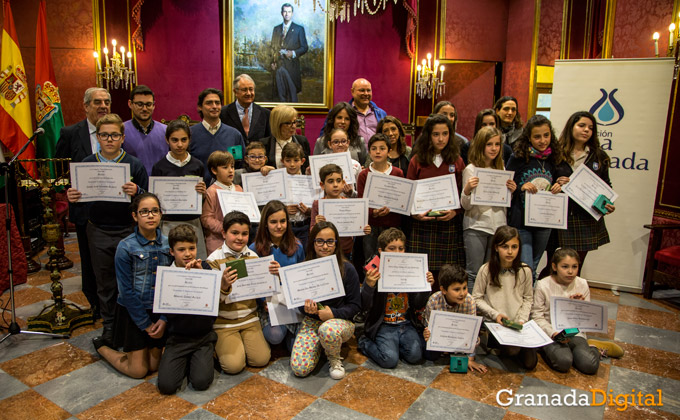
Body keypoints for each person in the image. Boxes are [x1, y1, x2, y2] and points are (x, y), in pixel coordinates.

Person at [66, 113, 147, 346]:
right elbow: (79, 198)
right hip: (99, 230)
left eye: (114, 135)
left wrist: (138, 191)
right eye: (104, 135)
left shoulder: (134, 164)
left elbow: (148, 197)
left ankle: (133, 325)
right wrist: (72, 196)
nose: (109, 139)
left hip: (129, 231)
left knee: (131, 280)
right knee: (105, 282)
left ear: (122, 138)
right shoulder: (87, 164)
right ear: (98, 138)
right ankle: (109, 326)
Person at [92, 192, 171, 378]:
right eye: (144, 212)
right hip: (135, 312)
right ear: (135, 216)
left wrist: (164, 319)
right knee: (138, 371)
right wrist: (145, 324)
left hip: (158, 312)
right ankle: (102, 347)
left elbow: (173, 285)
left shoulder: (169, 244)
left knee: (154, 366)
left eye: (154, 211)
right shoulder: (126, 247)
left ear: (161, 214)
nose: (150, 216)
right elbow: (125, 291)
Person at [56, 87, 111, 319]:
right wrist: (67, 190)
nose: (103, 106)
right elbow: (59, 171)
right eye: (97, 102)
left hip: (113, 208)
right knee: (89, 261)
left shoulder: (117, 131)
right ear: (86, 105)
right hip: (85, 210)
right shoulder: (70, 133)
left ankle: (113, 304)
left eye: (107, 102)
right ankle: (95, 305)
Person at [290, 221, 361, 379]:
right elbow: (299, 302)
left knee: (327, 330)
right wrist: (306, 309)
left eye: (330, 241)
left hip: (340, 321)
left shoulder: (347, 269)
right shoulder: (304, 267)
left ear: (336, 243)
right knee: (299, 369)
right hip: (312, 321)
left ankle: (333, 357)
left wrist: (333, 313)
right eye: (319, 241)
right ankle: (324, 345)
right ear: (313, 242)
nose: (325, 246)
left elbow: (355, 306)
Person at [207, 211, 272, 373]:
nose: (239, 238)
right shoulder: (213, 261)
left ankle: (241, 344)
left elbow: (260, 290)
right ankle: (216, 347)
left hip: (249, 318)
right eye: (234, 233)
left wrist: (272, 277)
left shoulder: (253, 257)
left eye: (244, 234)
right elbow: (210, 301)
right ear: (224, 233)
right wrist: (223, 286)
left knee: (261, 360)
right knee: (233, 367)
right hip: (224, 323)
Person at [358, 228, 433, 368]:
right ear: (381, 251)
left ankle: (396, 344)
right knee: (389, 360)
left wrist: (425, 287)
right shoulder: (374, 271)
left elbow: (417, 304)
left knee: (415, 356)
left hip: (405, 323)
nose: (397, 253)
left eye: (401, 248)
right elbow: (364, 306)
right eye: (391, 248)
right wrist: (369, 286)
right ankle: (364, 343)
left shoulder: (411, 269)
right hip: (384, 324)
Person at [157, 224, 217, 394]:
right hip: (178, 338)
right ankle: (181, 361)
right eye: (181, 249)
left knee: (201, 382)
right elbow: (167, 311)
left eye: (191, 248)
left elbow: (212, 306)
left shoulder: (205, 268)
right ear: (171, 252)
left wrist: (201, 277)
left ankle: (203, 355)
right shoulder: (167, 276)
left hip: (203, 337)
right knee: (167, 386)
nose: (188, 254)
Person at [506, 115, 567, 279]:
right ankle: (526, 301)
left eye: (546, 135)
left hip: (545, 222)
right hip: (521, 221)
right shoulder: (517, 157)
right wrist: (520, 187)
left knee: (534, 263)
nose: (542, 141)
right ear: (528, 137)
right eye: (537, 136)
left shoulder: (555, 158)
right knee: (526, 266)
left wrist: (559, 186)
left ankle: (530, 301)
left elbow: (564, 181)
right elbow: (505, 185)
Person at [407, 114, 466, 282]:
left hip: (448, 224)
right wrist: (414, 213)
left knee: (446, 272)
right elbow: (409, 193)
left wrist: (455, 211)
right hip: (422, 224)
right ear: (428, 136)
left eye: (445, 134)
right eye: (436, 134)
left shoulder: (457, 161)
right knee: (422, 272)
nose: (441, 139)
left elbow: (462, 192)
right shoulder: (417, 161)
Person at [471, 226, 537, 369]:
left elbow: (528, 299)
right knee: (513, 351)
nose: (510, 251)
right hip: (497, 323)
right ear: (496, 248)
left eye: (514, 247)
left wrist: (521, 320)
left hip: (518, 323)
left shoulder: (525, 270)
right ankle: (496, 344)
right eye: (505, 247)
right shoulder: (486, 270)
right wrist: (495, 315)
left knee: (531, 363)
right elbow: (476, 298)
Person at [556, 111, 615, 267]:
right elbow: (547, 180)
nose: (586, 130)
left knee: (576, 266)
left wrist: (607, 204)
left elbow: (606, 185)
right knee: (554, 265)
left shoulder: (599, 156)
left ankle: (573, 292)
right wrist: (556, 184)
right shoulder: (556, 153)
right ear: (571, 127)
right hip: (559, 215)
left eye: (591, 127)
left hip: (585, 217)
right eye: (581, 125)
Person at [460, 126, 516, 289]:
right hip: (476, 225)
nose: (494, 149)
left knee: (491, 272)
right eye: (489, 144)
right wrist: (468, 190)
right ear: (480, 146)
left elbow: (505, 202)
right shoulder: (470, 169)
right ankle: (472, 311)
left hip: (498, 226)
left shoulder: (501, 168)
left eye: (497, 144)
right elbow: (466, 205)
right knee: (474, 273)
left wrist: (510, 192)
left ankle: (486, 310)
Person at [531, 248, 601, 374]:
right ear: (554, 266)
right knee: (563, 362)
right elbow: (537, 316)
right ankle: (545, 348)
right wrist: (553, 333)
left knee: (589, 365)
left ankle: (594, 348)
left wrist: (580, 306)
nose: (570, 271)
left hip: (573, 332)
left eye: (574, 267)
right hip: (551, 332)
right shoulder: (543, 285)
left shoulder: (582, 284)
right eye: (565, 267)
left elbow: (586, 321)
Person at [249, 200, 305, 350]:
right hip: (269, 305)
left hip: (291, 305)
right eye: (273, 222)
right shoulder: (254, 249)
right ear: (265, 223)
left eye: (283, 221)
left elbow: (301, 278)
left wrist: (284, 276)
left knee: (294, 348)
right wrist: (263, 302)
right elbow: (252, 284)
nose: (279, 226)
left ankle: (291, 333)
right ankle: (285, 332)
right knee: (275, 336)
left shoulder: (297, 245)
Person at [151, 119, 208, 260]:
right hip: (167, 224)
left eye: (184, 140)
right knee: (169, 262)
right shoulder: (159, 167)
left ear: (189, 140)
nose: (180, 145)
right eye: (174, 140)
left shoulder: (197, 165)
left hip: (193, 222)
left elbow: (200, 200)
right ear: (167, 140)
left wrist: (203, 193)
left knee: (195, 265)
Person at [422, 264, 488, 373]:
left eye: (465, 288)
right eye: (457, 289)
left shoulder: (470, 301)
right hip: (440, 340)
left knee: (463, 353)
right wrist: (427, 334)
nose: (462, 293)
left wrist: (470, 359)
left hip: (460, 341)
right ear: (443, 290)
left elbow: (472, 334)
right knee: (430, 355)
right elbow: (428, 328)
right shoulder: (434, 301)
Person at [357, 134, 404, 260]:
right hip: (371, 227)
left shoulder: (398, 173)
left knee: (393, 260)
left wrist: (395, 208)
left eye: (382, 148)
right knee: (371, 261)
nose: (377, 152)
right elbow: (361, 203)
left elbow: (402, 200)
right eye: (374, 148)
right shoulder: (363, 175)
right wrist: (374, 212)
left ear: (389, 151)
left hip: (393, 225)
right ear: (369, 151)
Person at [310, 164, 371, 258]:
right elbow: (312, 232)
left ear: (343, 183)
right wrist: (317, 225)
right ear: (322, 185)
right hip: (326, 250)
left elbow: (357, 227)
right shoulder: (317, 204)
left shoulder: (349, 204)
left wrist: (365, 229)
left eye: (338, 181)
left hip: (346, 249)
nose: (335, 185)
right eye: (330, 181)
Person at [189, 88, 246, 183]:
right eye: (209, 103)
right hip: (198, 192)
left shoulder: (234, 135)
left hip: (227, 193)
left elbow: (239, 165)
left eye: (217, 103)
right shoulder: (190, 135)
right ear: (200, 107)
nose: (214, 106)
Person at [201, 151, 243, 255]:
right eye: (225, 167)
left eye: (232, 167)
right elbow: (206, 218)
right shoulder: (212, 191)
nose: (230, 171)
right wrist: (226, 228)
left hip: (238, 241)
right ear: (214, 170)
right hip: (217, 243)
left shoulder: (239, 189)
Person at [122, 85, 167, 176]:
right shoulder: (120, 130)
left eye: (148, 104)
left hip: (160, 185)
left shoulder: (166, 131)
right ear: (130, 104)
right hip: (133, 186)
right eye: (140, 104)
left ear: (154, 105)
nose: (144, 109)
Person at [270, 3, 308, 102]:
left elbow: (304, 47)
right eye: (285, 11)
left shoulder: (299, 29)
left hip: (292, 67)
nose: (287, 14)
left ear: (292, 13)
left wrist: (293, 53)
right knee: (280, 94)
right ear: (281, 13)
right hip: (278, 66)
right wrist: (272, 62)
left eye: (289, 12)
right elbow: (272, 48)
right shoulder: (276, 29)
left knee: (292, 95)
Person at [220, 74, 271, 144]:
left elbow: (269, 140)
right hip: (232, 154)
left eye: (251, 89)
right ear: (235, 92)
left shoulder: (265, 114)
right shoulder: (223, 112)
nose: (249, 93)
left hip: (257, 154)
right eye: (244, 90)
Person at [260, 104, 310, 172]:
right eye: (288, 123)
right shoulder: (264, 144)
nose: (293, 126)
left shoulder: (302, 141)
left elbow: (306, 167)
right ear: (277, 124)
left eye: (295, 122)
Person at [281, 142, 312, 248]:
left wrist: (309, 211)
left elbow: (317, 204)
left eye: (296, 160)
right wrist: (284, 210)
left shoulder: (309, 180)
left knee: (304, 256)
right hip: (286, 227)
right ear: (282, 161)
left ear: (302, 161)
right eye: (288, 161)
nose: (292, 164)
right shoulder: (277, 180)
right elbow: (271, 205)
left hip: (304, 226)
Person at [350, 78, 387, 144]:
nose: (366, 93)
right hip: (353, 153)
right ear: (352, 91)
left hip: (376, 153)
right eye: (362, 90)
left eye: (368, 90)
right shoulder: (344, 113)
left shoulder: (381, 114)